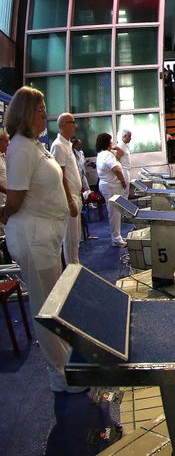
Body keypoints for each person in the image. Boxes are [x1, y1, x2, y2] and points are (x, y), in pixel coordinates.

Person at [0, 87, 85, 393]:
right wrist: (5, 214)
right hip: (33, 237)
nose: (45, 115)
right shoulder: (21, 148)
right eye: (40, 110)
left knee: (53, 301)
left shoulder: (33, 145)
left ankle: (64, 363)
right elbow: (16, 197)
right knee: (46, 305)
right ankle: (58, 374)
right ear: (26, 113)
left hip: (45, 234)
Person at [50, 113, 84, 264]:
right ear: (63, 125)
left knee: (76, 238)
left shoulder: (67, 144)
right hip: (69, 198)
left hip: (76, 196)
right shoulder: (58, 146)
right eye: (72, 122)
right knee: (70, 239)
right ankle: (72, 271)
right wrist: (70, 200)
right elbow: (60, 176)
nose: (75, 125)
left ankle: (75, 266)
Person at [96, 132, 129, 247]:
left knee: (115, 212)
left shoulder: (103, 154)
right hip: (111, 187)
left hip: (108, 186)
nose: (112, 143)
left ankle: (117, 236)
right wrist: (123, 182)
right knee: (114, 213)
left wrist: (114, 147)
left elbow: (121, 153)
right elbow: (117, 169)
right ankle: (116, 239)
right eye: (110, 141)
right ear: (107, 143)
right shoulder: (107, 155)